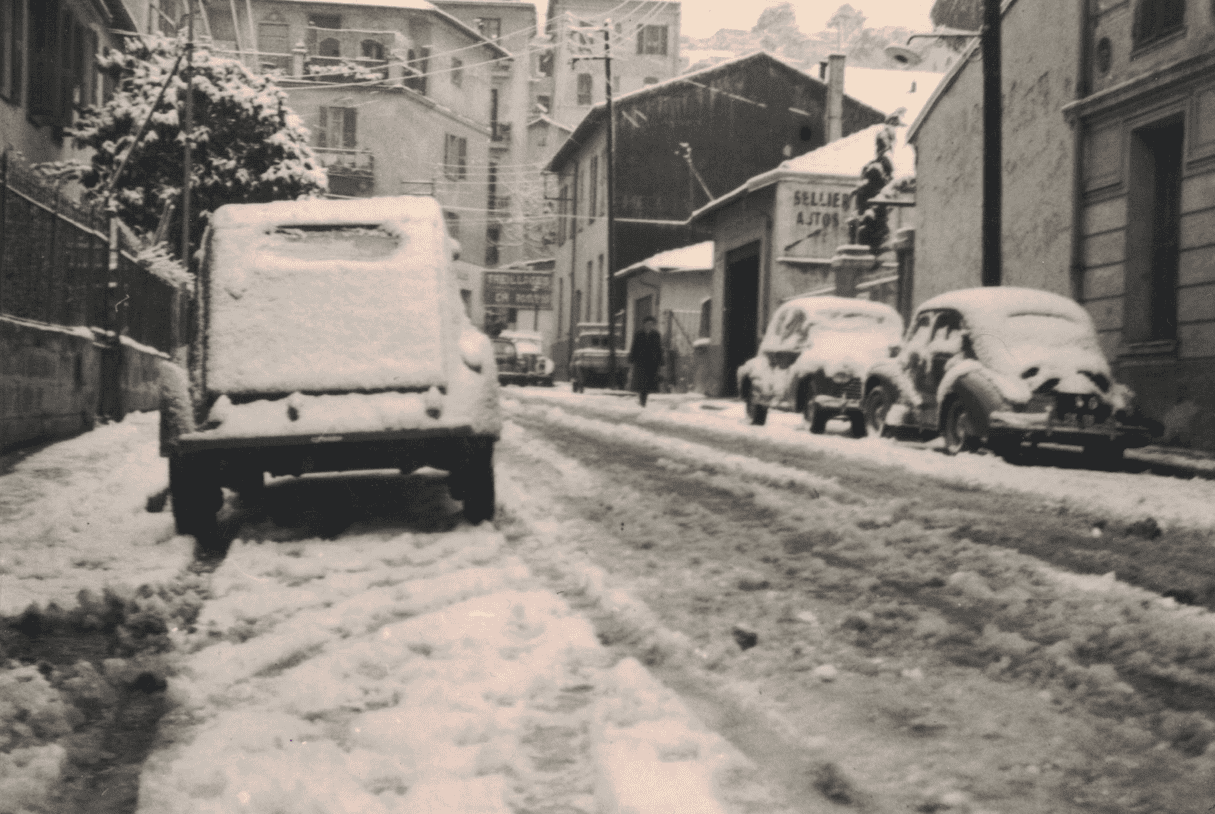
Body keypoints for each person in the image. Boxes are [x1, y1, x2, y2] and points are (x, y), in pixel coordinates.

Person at [628, 315, 664, 407]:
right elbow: (634, 347)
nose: (649, 326)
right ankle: (642, 401)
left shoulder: (656, 335)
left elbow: (659, 349)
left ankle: (644, 400)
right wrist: (631, 359)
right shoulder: (639, 334)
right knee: (642, 383)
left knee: (649, 384)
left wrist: (661, 361)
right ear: (644, 324)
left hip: (652, 363)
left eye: (651, 324)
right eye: (648, 324)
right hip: (641, 362)